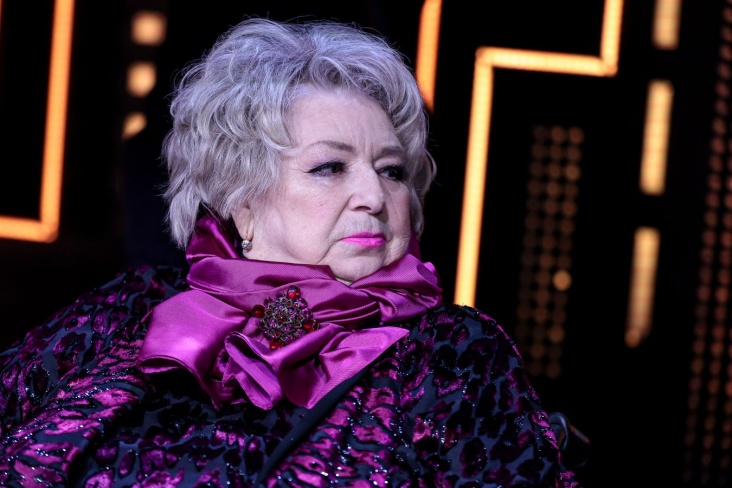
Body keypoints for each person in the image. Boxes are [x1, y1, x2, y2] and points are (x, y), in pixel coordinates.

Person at [0, 17, 582, 487]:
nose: (374, 196)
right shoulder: (133, 306)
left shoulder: (452, 352)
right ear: (242, 200)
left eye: (391, 170)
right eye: (330, 167)